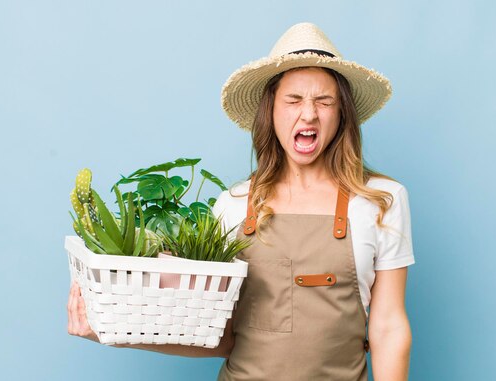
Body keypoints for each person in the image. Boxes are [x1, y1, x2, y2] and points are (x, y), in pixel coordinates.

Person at [67, 22, 415, 380]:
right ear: (272, 111)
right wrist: (109, 330)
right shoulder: (234, 204)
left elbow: (388, 327)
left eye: (324, 101)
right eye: (293, 100)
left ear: (341, 113)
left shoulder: (381, 200)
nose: (308, 114)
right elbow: (217, 336)